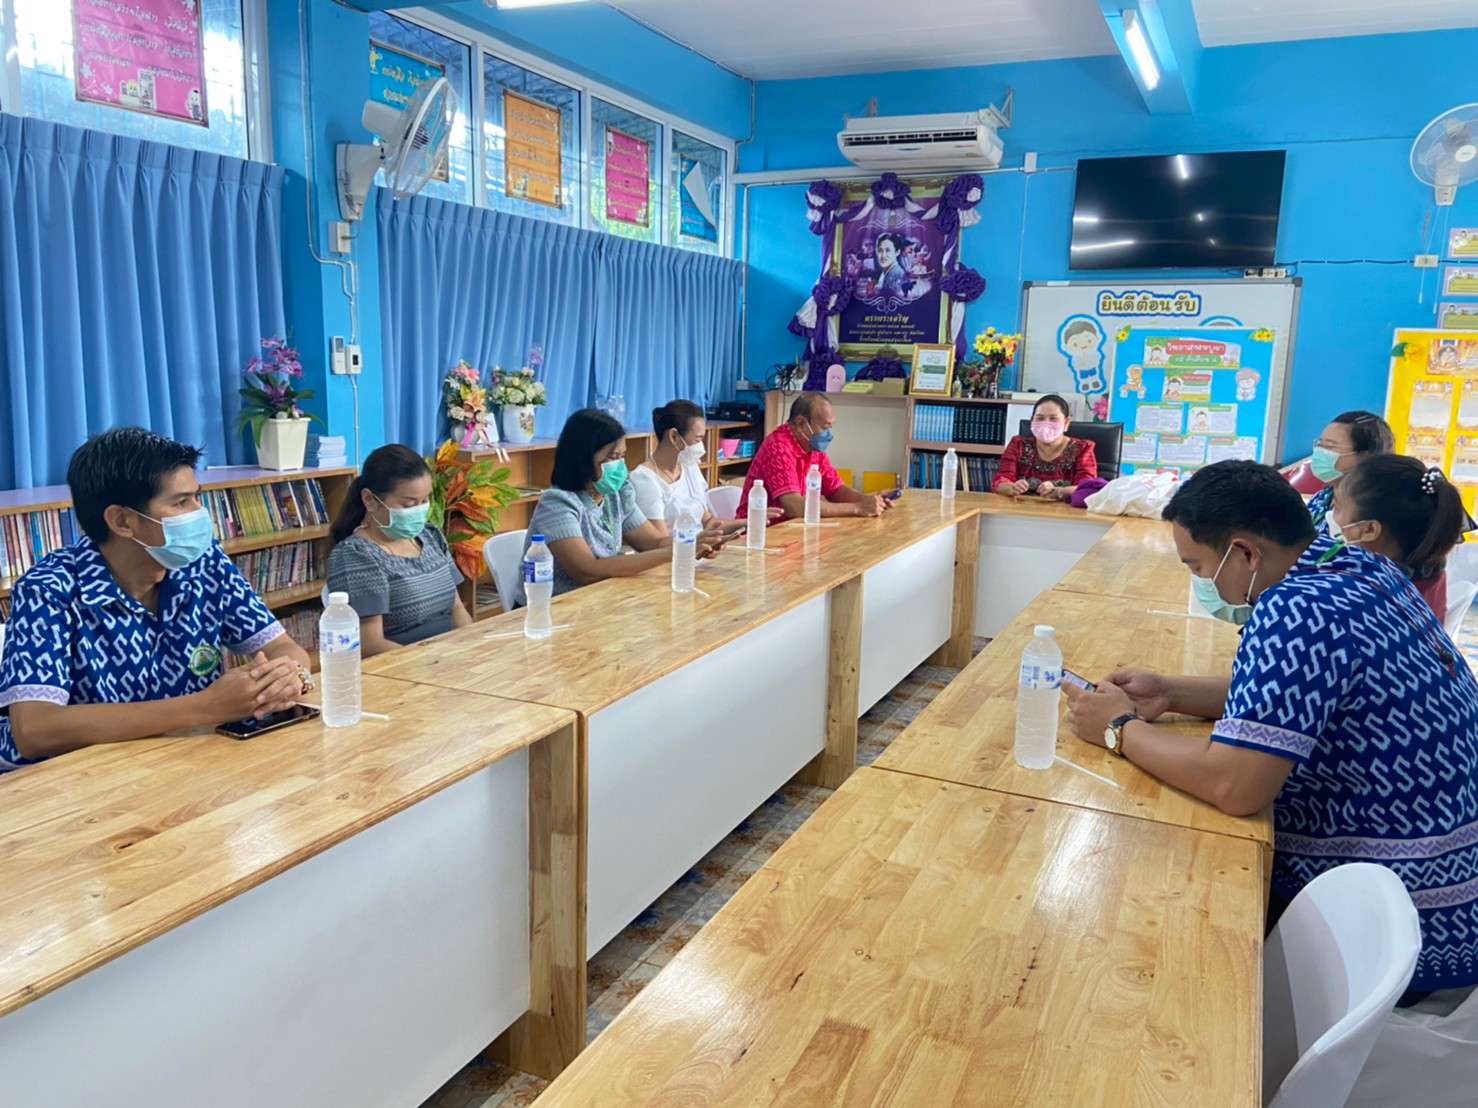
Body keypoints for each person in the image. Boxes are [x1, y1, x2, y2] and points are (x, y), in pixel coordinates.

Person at [1063, 460, 1478, 995]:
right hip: (1453, 882)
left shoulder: (1297, 609)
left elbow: (1236, 786)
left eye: (1199, 567)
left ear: (1245, 553)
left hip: (1403, 918)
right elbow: (1299, 696)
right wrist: (1171, 692)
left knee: (1164, 921)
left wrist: (1118, 728)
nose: (1202, 583)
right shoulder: (1356, 566)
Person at [0, 428, 313, 772]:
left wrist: (287, 676)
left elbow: (284, 648)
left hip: (176, 762)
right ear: (122, 521)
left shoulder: (204, 563)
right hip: (68, 781)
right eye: (181, 502)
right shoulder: (48, 590)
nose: (200, 513)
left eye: (197, 497)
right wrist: (206, 707)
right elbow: (35, 729)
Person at [518, 408, 727, 602]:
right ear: (582, 459)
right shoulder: (557, 503)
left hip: (598, 600)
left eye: (622, 456)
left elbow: (653, 543)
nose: (619, 465)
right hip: (552, 608)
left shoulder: (615, 495)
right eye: (612, 457)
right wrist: (678, 551)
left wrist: (694, 543)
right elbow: (587, 570)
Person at [327, 444, 471, 657]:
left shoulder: (430, 536)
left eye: (425, 500)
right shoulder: (356, 555)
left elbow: (457, 609)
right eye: (409, 504)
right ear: (370, 500)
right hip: (403, 667)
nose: (419, 510)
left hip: (451, 657)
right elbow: (370, 644)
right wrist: (433, 663)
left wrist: (470, 648)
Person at [1328, 455, 1464, 619]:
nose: (1331, 512)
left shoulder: (1362, 597)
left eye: (1337, 507)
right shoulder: (1428, 568)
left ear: (1369, 529)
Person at [739, 393, 891, 521]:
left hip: (793, 528)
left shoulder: (813, 448)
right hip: (761, 531)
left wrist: (870, 500)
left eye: (830, 427)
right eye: (824, 427)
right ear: (801, 424)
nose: (829, 434)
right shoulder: (778, 447)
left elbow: (835, 490)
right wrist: (857, 508)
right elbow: (794, 507)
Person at [630, 400, 747, 537]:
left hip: (699, 546)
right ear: (674, 436)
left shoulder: (689, 467)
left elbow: (708, 522)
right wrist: (700, 541)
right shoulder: (645, 479)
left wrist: (749, 523)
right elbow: (661, 543)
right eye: (697, 440)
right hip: (677, 549)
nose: (701, 447)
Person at [993, 393, 1098, 501]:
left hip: (1065, 510)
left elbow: (1087, 488)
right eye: (1040, 418)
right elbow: (1000, 481)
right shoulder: (1018, 444)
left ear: (1066, 423)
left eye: (1053, 419)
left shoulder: (1082, 449)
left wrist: (1059, 491)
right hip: (1021, 507)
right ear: (1032, 421)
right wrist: (1011, 488)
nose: (1046, 424)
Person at [1305, 409, 1394, 529]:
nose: (1320, 452)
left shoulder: (1371, 511)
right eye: (1319, 445)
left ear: (1365, 456)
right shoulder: (1322, 497)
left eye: (1330, 446)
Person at [874, 233, 911, 298]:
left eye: (888, 250)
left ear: (897, 252)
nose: (883, 255)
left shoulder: (897, 273)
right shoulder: (887, 270)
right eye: (880, 250)